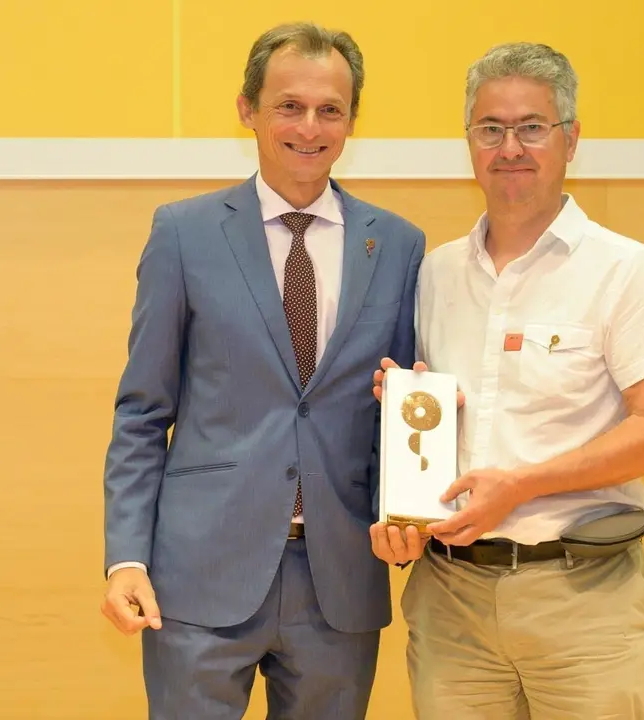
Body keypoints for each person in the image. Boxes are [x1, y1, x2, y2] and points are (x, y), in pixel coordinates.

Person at [100, 22, 425, 720]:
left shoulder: (397, 245)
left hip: (339, 584)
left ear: (350, 121)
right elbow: (141, 413)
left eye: (329, 109)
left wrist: (410, 512)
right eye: (289, 105)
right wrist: (125, 557)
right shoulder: (183, 234)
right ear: (247, 109)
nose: (310, 127)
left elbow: (398, 409)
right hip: (197, 579)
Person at [370, 41, 644, 719]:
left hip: (580, 602)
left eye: (530, 127)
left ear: (570, 139)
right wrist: (402, 464)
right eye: (490, 129)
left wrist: (519, 486)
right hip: (449, 602)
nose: (508, 147)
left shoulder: (625, 271)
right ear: (469, 143)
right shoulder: (434, 273)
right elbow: (429, 422)